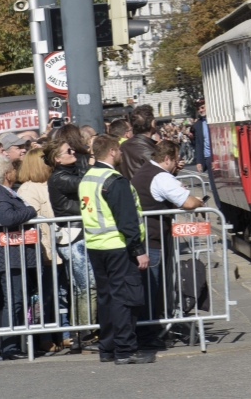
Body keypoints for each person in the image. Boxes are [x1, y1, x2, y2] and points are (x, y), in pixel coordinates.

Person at [80, 135, 153, 365]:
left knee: (106, 298)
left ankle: (108, 347)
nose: (121, 154)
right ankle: (125, 350)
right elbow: (127, 220)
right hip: (118, 245)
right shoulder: (114, 180)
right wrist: (138, 249)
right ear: (112, 151)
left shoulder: (88, 178)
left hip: (95, 246)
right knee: (124, 299)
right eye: (119, 150)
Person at [130, 139, 203, 351]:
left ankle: (148, 332)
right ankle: (148, 336)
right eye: (176, 159)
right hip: (152, 241)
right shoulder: (160, 176)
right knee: (152, 291)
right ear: (167, 158)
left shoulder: (145, 171)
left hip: (147, 239)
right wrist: (199, 201)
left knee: (150, 290)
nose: (177, 164)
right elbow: (188, 203)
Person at [46, 126, 95, 353]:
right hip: (72, 237)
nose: (74, 153)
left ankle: (87, 331)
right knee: (85, 286)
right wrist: (94, 165)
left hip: (80, 235)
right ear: (57, 158)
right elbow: (85, 184)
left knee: (85, 285)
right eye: (69, 151)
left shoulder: (73, 170)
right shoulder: (59, 177)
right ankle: (86, 333)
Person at [0, 156, 38, 361]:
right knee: (13, 300)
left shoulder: (6, 192)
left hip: (16, 255)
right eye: (13, 170)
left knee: (18, 300)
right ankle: (9, 346)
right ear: (7, 174)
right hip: (8, 256)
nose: (16, 172)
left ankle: (15, 344)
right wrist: (31, 211)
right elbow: (6, 218)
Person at [16, 146, 66, 354]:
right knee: (43, 297)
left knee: (59, 294)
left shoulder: (50, 183)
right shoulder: (27, 189)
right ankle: (46, 337)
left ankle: (64, 334)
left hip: (59, 246)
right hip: (44, 250)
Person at [120, 105, 158, 182]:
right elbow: (161, 177)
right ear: (152, 123)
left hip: (129, 191)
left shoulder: (123, 146)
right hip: (146, 192)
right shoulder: (150, 150)